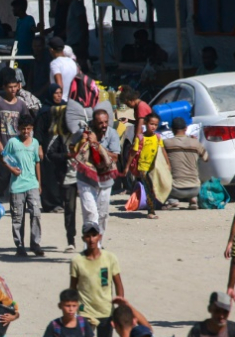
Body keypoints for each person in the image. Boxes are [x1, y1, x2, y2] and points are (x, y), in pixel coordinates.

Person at [70, 222, 125, 337]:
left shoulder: (110, 258)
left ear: (99, 237)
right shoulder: (77, 261)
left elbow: (118, 284)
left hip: (106, 312)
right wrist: (72, 311)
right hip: (85, 313)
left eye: (94, 235)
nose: (91, 239)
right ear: (83, 239)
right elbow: (73, 288)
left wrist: (120, 310)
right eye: (88, 236)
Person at [2, 113, 44, 256]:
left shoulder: (35, 143)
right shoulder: (13, 142)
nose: (26, 132)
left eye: (29, 129)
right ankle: (19, 245)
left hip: (32, 183)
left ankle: (35, 243)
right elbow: (4, 158)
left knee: (36, 213)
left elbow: (37, 162)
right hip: (17, 186)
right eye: (23, 129)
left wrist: (39, 182)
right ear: (18, 128)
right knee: (18, 217)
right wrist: (12, 169)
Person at [74, 109, 121, 238]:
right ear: (94, 122)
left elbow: (115, 158)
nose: (104, 125)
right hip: (86, 178)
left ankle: (98, 244)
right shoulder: (84, 131)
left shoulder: (112, 134)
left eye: (106, 122)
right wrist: (82, 142)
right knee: (91, 213)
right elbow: (73, 152)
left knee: (103, 213)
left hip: (105, 178)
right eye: (100, 123)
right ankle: (89, 246)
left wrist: (96, 145)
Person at [0, 71, 31, 200]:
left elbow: (27, 124)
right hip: (3, 147)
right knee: (2, 177)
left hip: (17, 147)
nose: (13, 89)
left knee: (17, 176)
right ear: (4, 87)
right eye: (10, 87)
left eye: (15, 86)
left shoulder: (21, 104)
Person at [123, 113, 169, 219]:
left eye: (156, 125)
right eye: (151, 124)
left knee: (154, 187)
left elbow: (162, 151)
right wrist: (126, 167)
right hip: (143, 168)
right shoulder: (140, 138)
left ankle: (153, 205)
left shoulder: (157, 137)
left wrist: (167, 164)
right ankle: (151, 211)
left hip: (154, 168)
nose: (153, 127)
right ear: (146, 124)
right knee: (149, 188)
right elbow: (133, 153)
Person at [35, 84, 68, 213]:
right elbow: (39, 131)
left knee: (62, 175)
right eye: (56, 93)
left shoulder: (65, 108)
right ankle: (51, 204)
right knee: (50, 176)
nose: (59, 95)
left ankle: (62, 202)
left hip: (62, 146)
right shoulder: (44, 111)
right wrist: (39, 147)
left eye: (60, 93)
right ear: (51, 94)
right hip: (48, 146)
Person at [164, 116, 208, 210]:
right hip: (195, 188)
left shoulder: (166, 143)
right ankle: (193, 199)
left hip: (175, 189)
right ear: (186, 128)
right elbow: (206, 158)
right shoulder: (195, 143)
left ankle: (173, 200)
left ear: (172, 129)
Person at [51, 0, 89, 68]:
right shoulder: (70, 7)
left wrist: (83, 43)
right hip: (71, 43)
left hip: (77, 44)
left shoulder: (76, 5)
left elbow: (83, 25)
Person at [11, 0, 36, 77]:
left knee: (26, 77)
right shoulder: (18, 21)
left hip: (26, 58)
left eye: (14, 8)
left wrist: (39, 28)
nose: (13, 10)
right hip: (18, 58)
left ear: (19, 8)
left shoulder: (29, 19)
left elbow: (33, 29)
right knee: (17, 75)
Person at [49, 37, 77, 102]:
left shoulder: (55, 63)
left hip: (62, 101)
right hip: (73, 101)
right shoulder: (72, 62)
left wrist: (60, 102)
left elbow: (59, 83)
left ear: (51, 50)